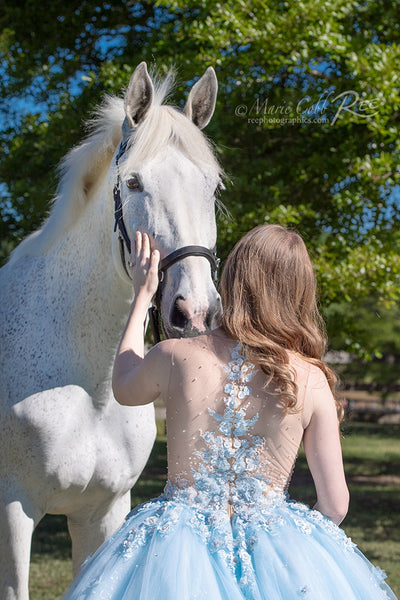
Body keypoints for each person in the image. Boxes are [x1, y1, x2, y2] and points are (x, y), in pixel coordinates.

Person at [63, 225, 397, 599]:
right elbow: (335, 504)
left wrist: (143, 296)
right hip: (275, 546)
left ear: (231, 278)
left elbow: (124, 386)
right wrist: (295, 555)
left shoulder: (175, 355)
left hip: (172, 550)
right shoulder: (310, 379)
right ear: (300, 292)